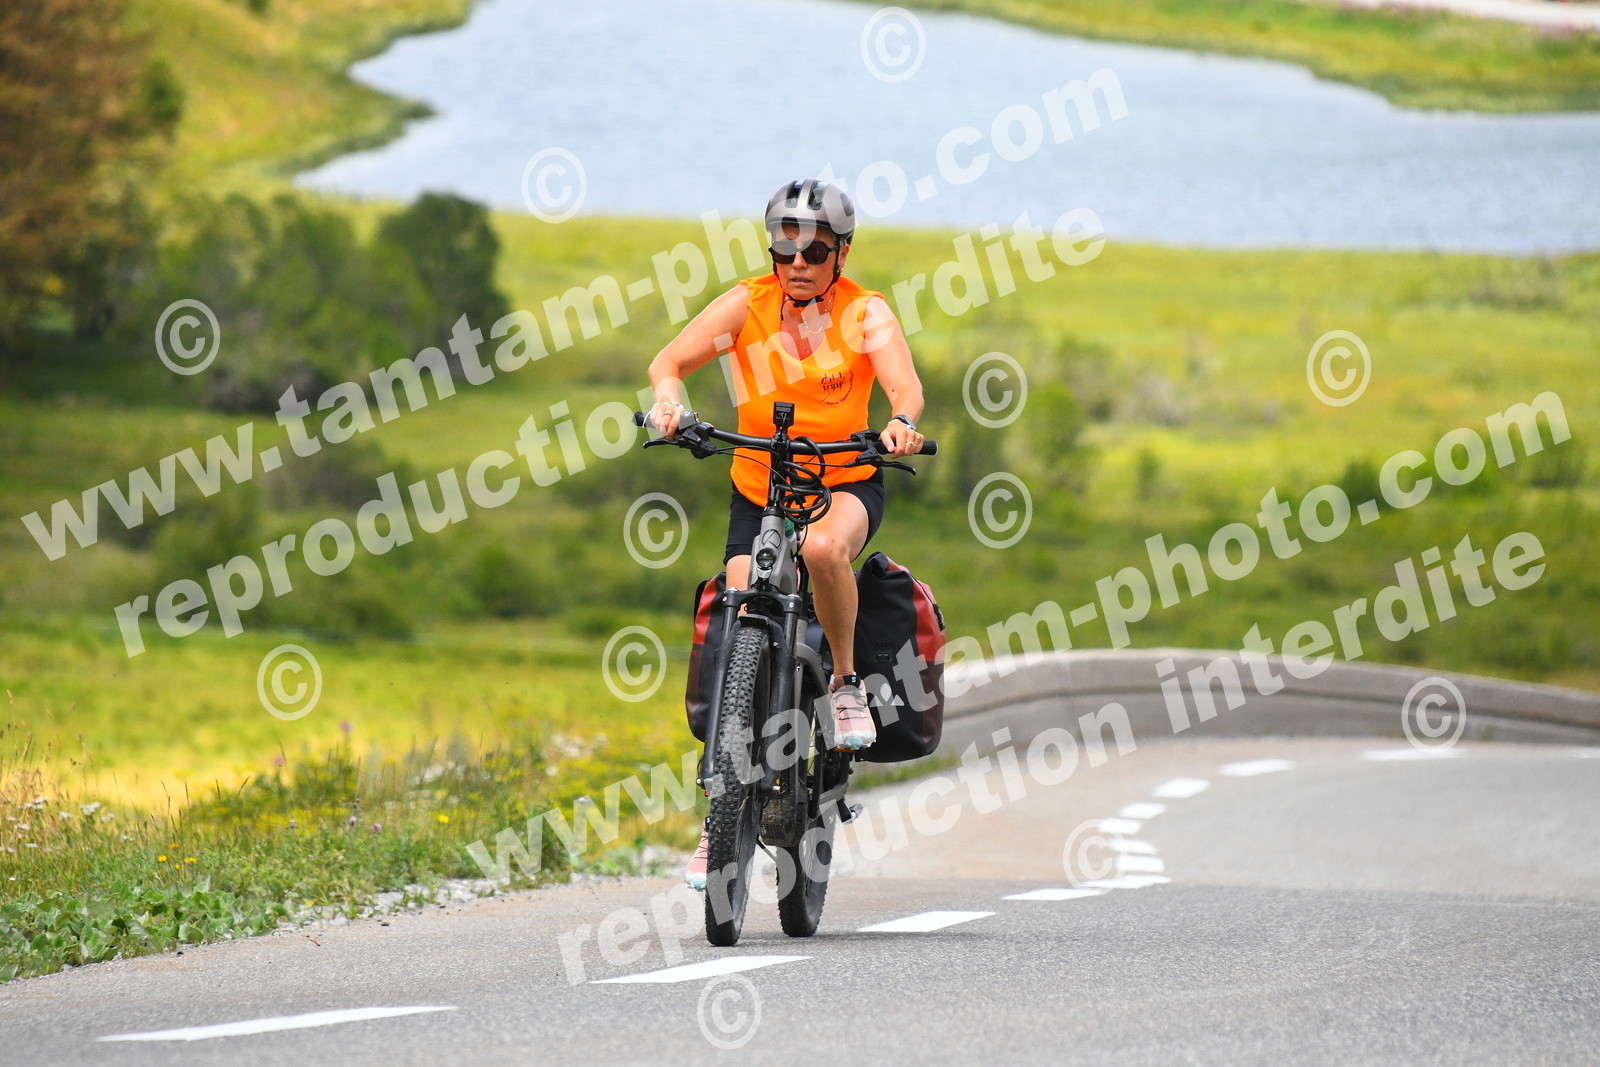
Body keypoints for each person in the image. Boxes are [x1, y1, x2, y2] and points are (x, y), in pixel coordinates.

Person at [645, 178, 926, 890]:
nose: (798, 262)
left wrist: (900, 423)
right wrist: (670, 406)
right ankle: (720, 816)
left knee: (825, 550)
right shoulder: (748, 303)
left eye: (816, 250)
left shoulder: (865, 311)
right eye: (785, 246)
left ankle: (844, 684)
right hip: (759, 488)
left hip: (843, 482)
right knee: (738, 605)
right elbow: (667, 364)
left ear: (842, 253)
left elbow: (905, 387)